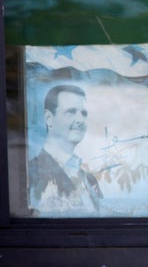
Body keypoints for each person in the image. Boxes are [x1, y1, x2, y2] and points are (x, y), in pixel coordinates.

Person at [28, 84, 103, 216]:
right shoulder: (28, 175)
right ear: (49, 118)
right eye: (71, 111)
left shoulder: (89, 180)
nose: (81, 120)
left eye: (84, 113)